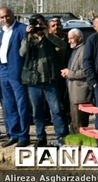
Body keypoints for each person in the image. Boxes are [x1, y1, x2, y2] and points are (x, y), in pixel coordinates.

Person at [20, 15, 68, 147]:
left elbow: (63, 45)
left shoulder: (50, 37)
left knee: (56, 110)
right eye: (36, 24)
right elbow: (22, 53)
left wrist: (48, 34)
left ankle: (61, 137)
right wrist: (29, 36)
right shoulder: (29, 38)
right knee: (37, 112)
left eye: (40, 23)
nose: (38, 26)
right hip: (33, 81)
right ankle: (41, 137)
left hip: (50, 80)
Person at [0, 7, 30, 148]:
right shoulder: (2, 32)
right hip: (3, 70)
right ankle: (14, 134)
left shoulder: (22, 29)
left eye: (7, 16)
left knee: (21, 104)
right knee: (9, 105)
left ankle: (24, 136)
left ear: (12, 15)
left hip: (17, 71)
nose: (5, 19)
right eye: (2, 17)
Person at [60, 28, 90, 133]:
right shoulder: (75, 50)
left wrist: (70, 73)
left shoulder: (84, 50)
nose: (69, 41)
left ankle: (80, 145)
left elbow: (86, 72)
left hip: (80, 93)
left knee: (79, 123)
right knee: (74, 122)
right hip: (72, 92)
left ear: (79, 38)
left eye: (71, 38)